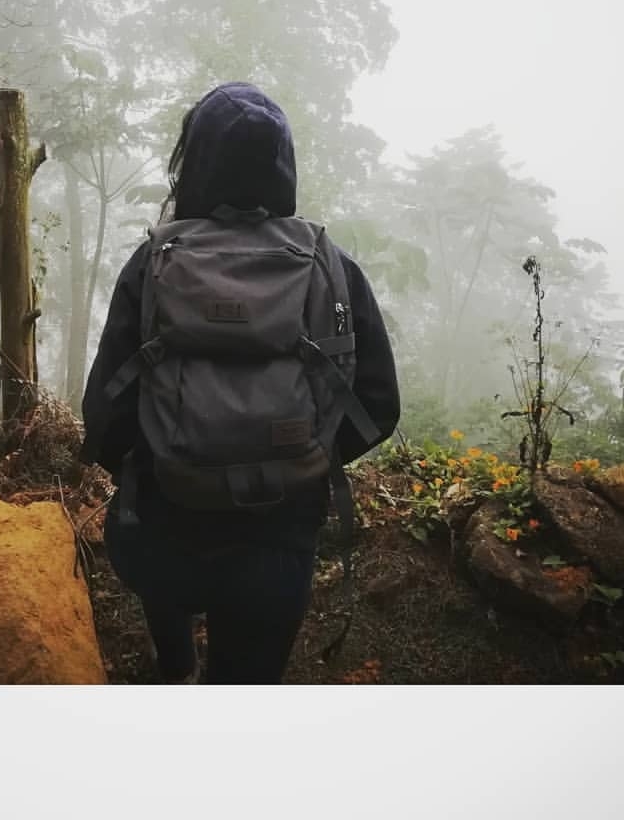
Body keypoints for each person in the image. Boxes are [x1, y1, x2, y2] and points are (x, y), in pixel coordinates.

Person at [81, 82, 400, 684]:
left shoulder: (154, 262)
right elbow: (378, 405)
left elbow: (105, 414)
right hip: (278, 541)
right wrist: (305, 459)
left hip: (166, 529)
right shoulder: (330, 266)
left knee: (163, 601)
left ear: (196, 161)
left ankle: (176, 665)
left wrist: (161, 461)